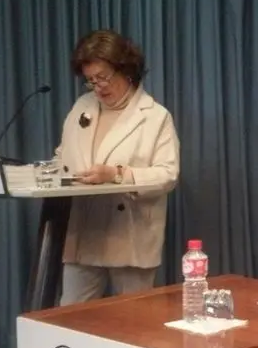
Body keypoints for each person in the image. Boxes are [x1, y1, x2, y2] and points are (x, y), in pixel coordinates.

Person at [55, 29, 180, 305]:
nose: (98, 87)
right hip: (83, 232)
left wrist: (117, 174)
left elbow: (167, 175)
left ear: (126, 70)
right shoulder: (82, 107)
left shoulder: (155, 116)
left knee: (133, 322)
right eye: (90, 81)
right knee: (69, 319)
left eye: (103, 77)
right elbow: (63, 157)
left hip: (130, 235)